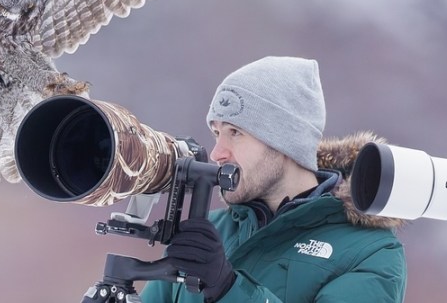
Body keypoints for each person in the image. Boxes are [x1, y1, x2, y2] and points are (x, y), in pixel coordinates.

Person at [140, 56, 407, 302]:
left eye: (235, 132)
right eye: (216, 133)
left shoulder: (372, 252)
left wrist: (228, 289)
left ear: (285, 143)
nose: (217, 153)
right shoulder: (210, 230)